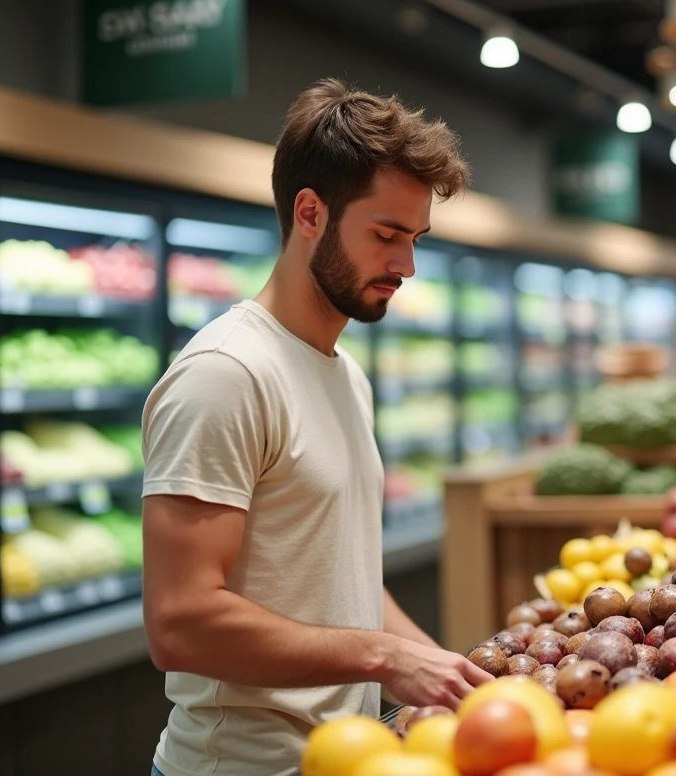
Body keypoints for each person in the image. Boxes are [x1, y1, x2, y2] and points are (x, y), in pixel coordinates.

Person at [140, 78, 493, 776]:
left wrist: (449, 677)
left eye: (416, 238)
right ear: (309, 212)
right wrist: (385, 657)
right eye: (386, 234)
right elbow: (179, 623)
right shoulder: (226, 373)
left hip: (343, 756)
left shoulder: (344, 374)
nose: (407, 265)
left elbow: (341, 581)